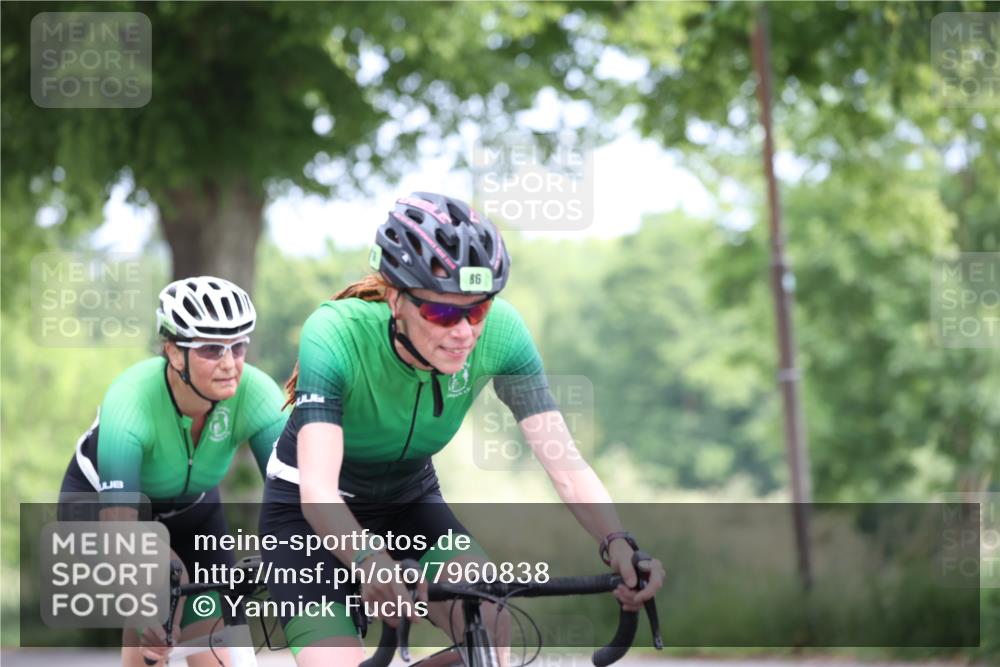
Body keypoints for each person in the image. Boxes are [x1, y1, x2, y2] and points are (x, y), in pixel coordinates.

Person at [260, 192, 665, 667]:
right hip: (307, 515)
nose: (464, 333)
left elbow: (567, 465)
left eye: (478, 310)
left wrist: (618, 541)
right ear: (396, 298)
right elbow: (318, 493)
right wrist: (369, 561)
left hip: (409, 501)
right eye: (442, 313)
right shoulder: (335, 334)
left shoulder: (504, 335)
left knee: (490, 620)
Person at [58, 276, 288, 667]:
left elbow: (299, 498)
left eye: (239, 346)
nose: (230, 363)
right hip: (105, 509)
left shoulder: (258, 394)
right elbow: (121, 527)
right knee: (159, 594)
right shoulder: (131, 398)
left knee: (218, 654)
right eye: (211, 349)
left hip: (194, 511)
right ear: (173, 351)